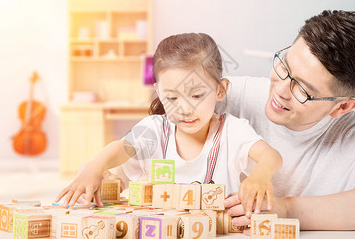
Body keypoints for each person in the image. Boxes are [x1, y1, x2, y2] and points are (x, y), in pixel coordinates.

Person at [56, 33, 283, 218]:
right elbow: (121, 147)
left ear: (220, 89)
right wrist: (93, 166)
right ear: (158, 92)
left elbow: (271, 157)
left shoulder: (232, 131)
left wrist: (260, 175)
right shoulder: (154, 129)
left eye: (196, 95)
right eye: (172, 98)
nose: (184, 109)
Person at [222, 10, 355, 232]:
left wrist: (286, 210)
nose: (280, 90)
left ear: (342, 107)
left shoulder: (354, 134)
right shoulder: (229, 95)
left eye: (303, 89)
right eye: (284, 67)